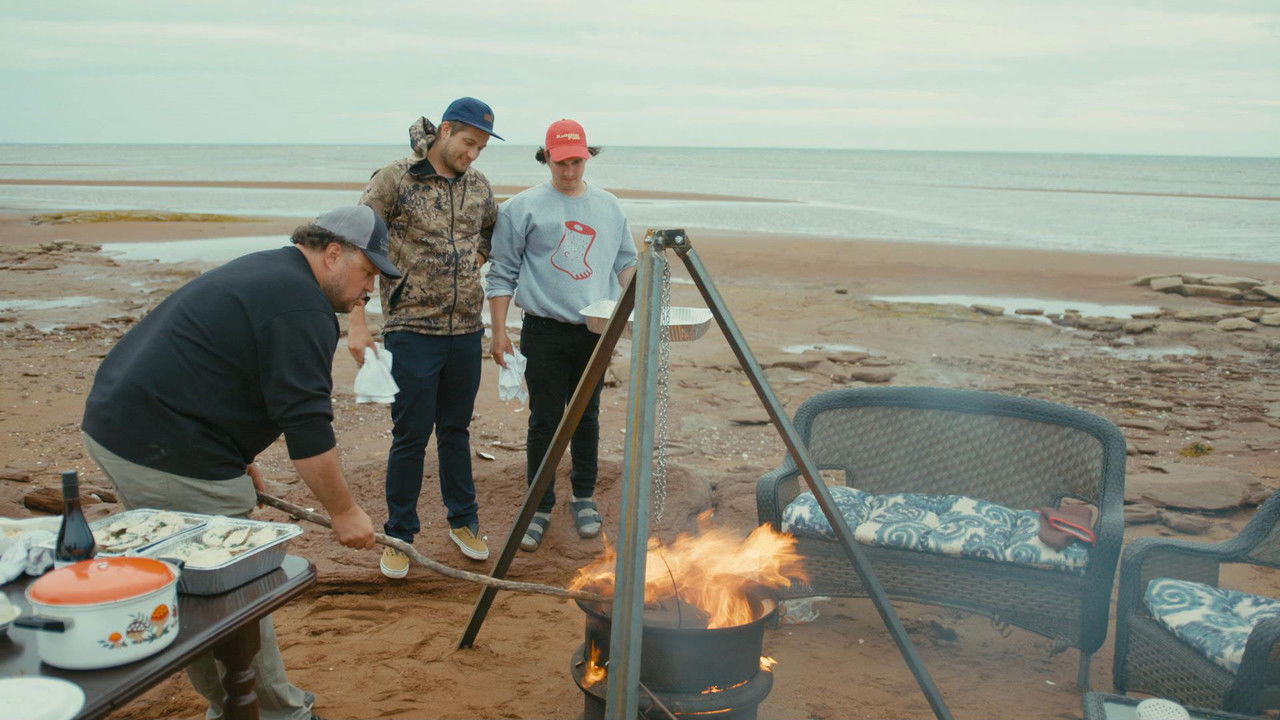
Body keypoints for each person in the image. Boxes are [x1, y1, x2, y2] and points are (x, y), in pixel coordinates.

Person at [81, 205, 395, 720]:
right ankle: (270, 713)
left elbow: (224, 364)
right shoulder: (302, 308)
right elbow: (308, 428)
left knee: (203, 585)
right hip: (160, 445)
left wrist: (236, 455)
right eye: (368, 273)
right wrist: (344, 512)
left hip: (134, 424)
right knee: (222, 595)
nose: (369, 291)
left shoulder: (274, 271)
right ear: (334, 253)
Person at [350, 97, 501, 576]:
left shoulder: (478, 185)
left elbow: (490, 234)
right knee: (410, 435)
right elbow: (360, 242)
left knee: (456, 431)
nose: (473, 155)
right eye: (468, 143)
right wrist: (357, 319)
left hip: (465, 330)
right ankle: (399, 535)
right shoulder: (396, 177)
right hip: (412, 329)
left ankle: (464, 521)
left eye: (480, 148)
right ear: (446, 130)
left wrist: (470, 264)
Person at [486, 118, 637, 552]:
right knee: (545, 419)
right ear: (546, 158)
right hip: (544, 329)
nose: (569, 171)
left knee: (587, 416)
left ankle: (584, 496)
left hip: (596, 329)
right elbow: (502, 273)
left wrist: (642, 298)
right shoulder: (523, 208)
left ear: (587, 157)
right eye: (560, 162)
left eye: (576, 161)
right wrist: (499, 332)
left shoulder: (608, 206)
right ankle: (540, 503)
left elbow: (625, 262)